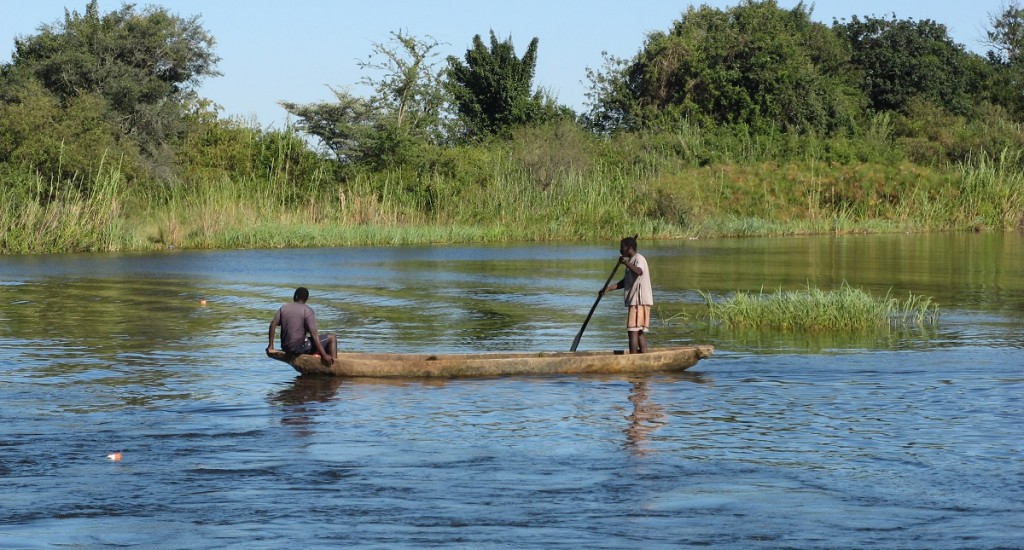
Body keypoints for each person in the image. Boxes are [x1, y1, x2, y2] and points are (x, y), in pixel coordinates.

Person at [602, 236, 653, 354]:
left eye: (622, 247)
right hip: (635, 301)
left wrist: (625, 262)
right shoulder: (631, 261)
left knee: (633, 331)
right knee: (638, 331)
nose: (620, 250)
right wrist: (607, 289)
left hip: (638, 301)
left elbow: (639, 271)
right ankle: (644, 355)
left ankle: (633, 357)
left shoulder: (639, 259)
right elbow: (625, 282)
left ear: (628, 248)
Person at [267, 287, 336, 366]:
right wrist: (324, 355)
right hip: (298, 348)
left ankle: (318, 357)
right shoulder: (307, 310)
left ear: (295, 296)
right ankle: (335, 365)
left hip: (285, 347)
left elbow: (273, 324)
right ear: (306, 299)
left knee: (312, 341)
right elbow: (314, 334)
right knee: (332, 337)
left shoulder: (284, 308)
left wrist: (271, 345)